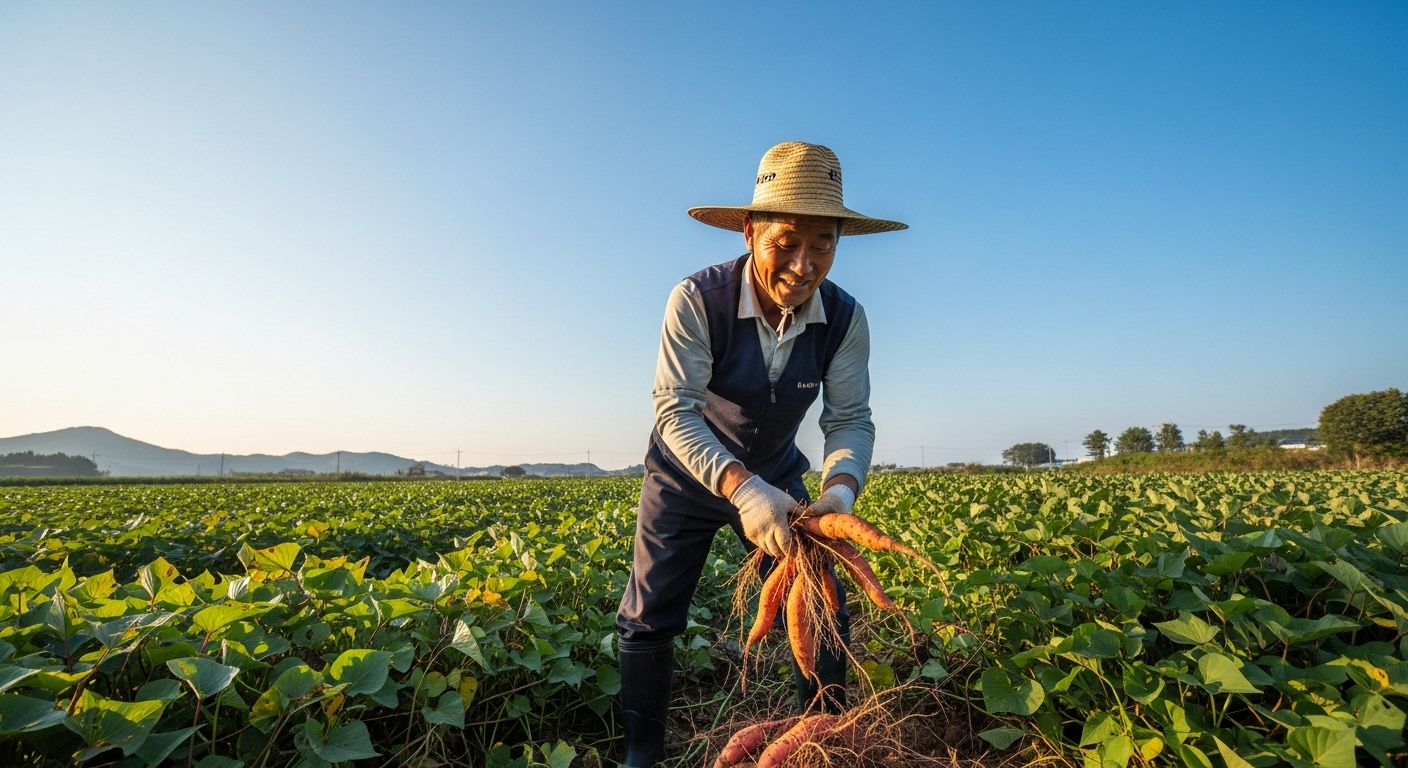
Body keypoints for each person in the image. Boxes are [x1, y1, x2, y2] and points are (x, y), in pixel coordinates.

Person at [614, 141, 906, 767]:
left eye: (822, 244)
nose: (803, 266)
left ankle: (821, 740)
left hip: (779, 472)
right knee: (649, 616)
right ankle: (641, 756)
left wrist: (838, 494)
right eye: (785, 242)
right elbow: (675, 412)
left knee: (821, 596)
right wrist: (741, 489)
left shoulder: (846, 320)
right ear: (750, 232)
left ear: (838, 241)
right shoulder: (698, 299)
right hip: (686, 473)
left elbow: (851, 419)